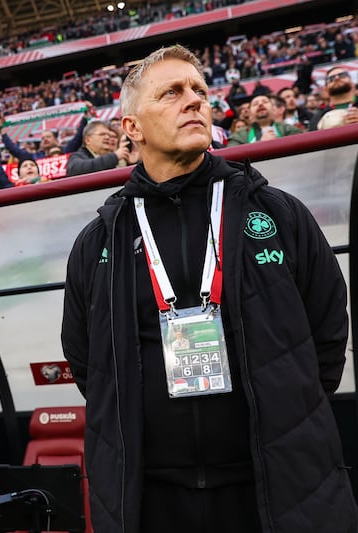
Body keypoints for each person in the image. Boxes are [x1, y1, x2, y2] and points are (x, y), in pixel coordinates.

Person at [62, 45, 356, 533]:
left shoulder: (276, 212)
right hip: (152, 498)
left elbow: (327, 329)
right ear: (132, 129)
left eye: (199, 90)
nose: (194, 101)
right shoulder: (101, 238)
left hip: (273, 488)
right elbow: (86, 360)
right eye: (172, 93)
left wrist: (292, 411)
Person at [66, 121, 136, 177]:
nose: (107, 137)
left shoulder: (118, 158)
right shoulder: (78, 156)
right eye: (102, 134)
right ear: (88, 140)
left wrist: (131, 163)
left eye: (108, 135)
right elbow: (75, 170)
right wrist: (115, 156)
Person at [228, 94, 303, 145]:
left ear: (273, 109)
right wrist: (260, 144)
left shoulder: (288, 129)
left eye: (265, 102)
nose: (260, 104)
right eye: (255, 104)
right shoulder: (240, 135)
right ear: (250, 113)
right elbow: (232, 155)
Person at [308, 66, 358, 131]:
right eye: (331, 79)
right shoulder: (318, 117)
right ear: (326, 89)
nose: (337, 78)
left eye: (342, 75)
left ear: (352, 84)